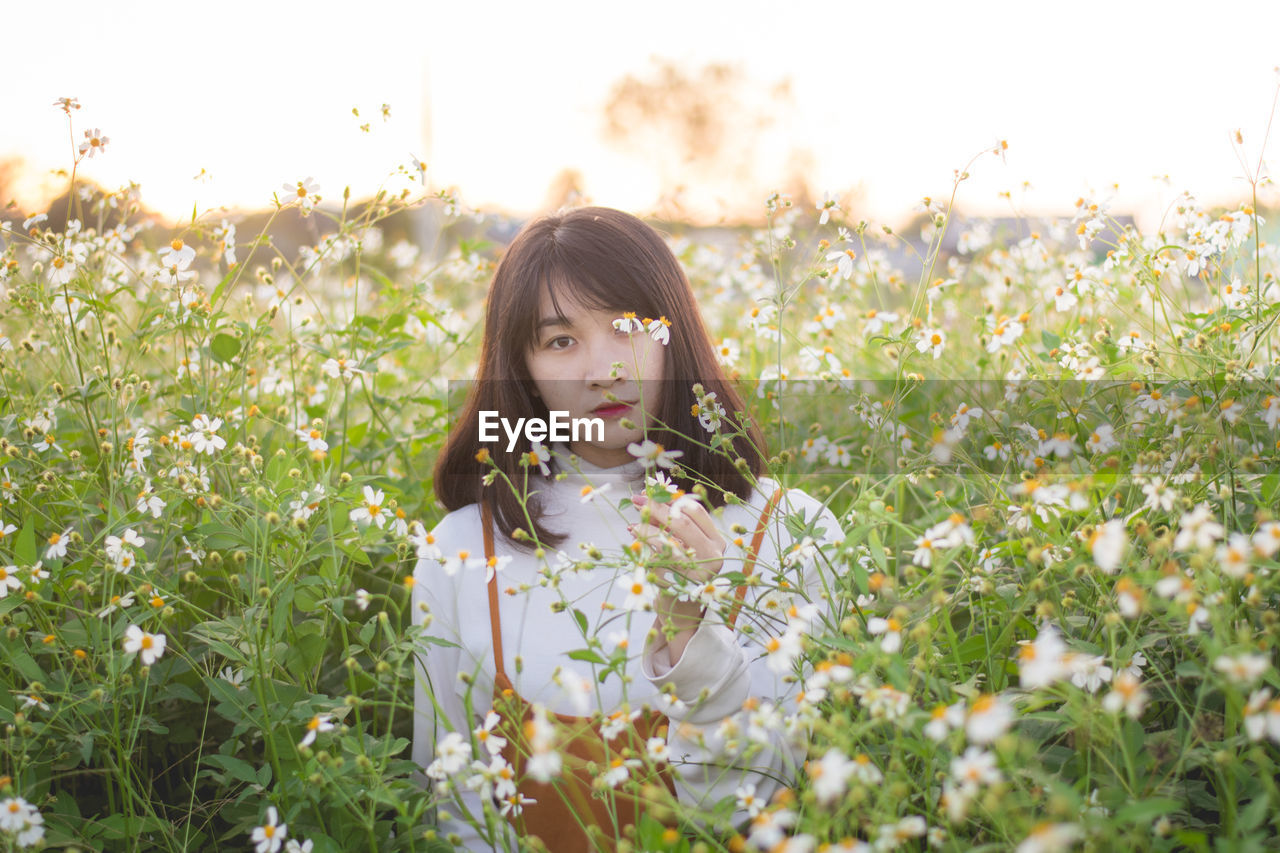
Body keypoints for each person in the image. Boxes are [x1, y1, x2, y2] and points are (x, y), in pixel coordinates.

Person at [410, 207, 843, 852]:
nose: (603, 369)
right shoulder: (460, 551)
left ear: (678, 335)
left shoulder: (789, 533)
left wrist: (686, 629)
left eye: (625, 328)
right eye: (560, 341)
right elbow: (450, 812)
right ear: (520, 370)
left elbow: (767, 809)